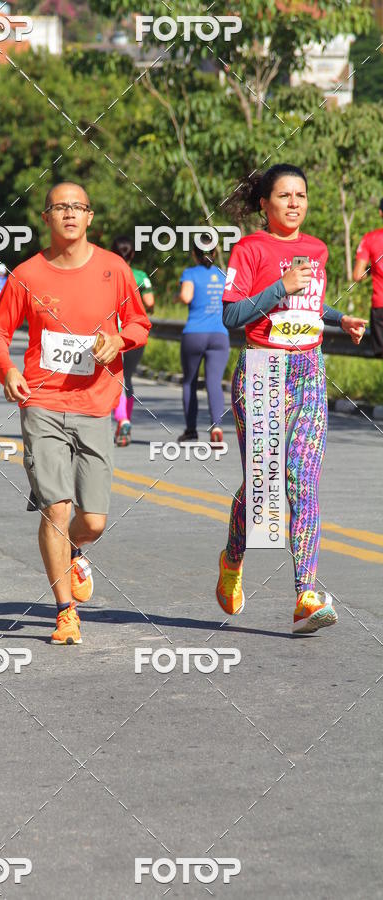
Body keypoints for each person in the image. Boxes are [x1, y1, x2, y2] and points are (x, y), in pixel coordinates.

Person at [0, 182, 151, 645]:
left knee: (93, 520)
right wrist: (7, 371)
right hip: (41, 402)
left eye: (78, 207)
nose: (71, 214)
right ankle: (65, 612)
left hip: (97, 404)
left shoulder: (114, 270)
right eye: (61, 207)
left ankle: (76, 549)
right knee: (56, 509)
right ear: (46, 217)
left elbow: (139, 322)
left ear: (91, 217)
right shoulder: (28, 274)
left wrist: (120, 340)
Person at [216, 163, 367, 634]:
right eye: (284, 196)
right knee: (262, 486)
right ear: (264, 204)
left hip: (308, 371)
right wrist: (281, 285)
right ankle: (232, 559)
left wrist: (340, 319)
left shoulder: (317, 248)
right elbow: (232, 314)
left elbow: (311, 303)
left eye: (301, 195)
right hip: (263, 371)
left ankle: (306, 593)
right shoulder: (249, 248)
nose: (295, 203)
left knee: (301, 477)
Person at [176, 241, 230, 444]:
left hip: (194, 334)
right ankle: (216, 426)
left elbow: (186, 296)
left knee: (189, 382)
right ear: (215, 252)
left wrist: (177, 296)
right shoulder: (223, 275)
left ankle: (191, 430)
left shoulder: (190, 273)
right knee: (213, 382)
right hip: (219, 334)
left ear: (193, 254)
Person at [110, 235, 154, 447]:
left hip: (112, 336)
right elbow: (150, 302)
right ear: (132, 254)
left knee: (115, 379)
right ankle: (126, 419)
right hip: (135, 335)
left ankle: (122, 419)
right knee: (127, 377)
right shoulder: (141, 276)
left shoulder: (106, 275)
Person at [353, 199, 383, 357]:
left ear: (380, 212)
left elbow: (357, 275)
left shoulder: (370, 239)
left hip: (380, 307)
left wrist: (372, 270)